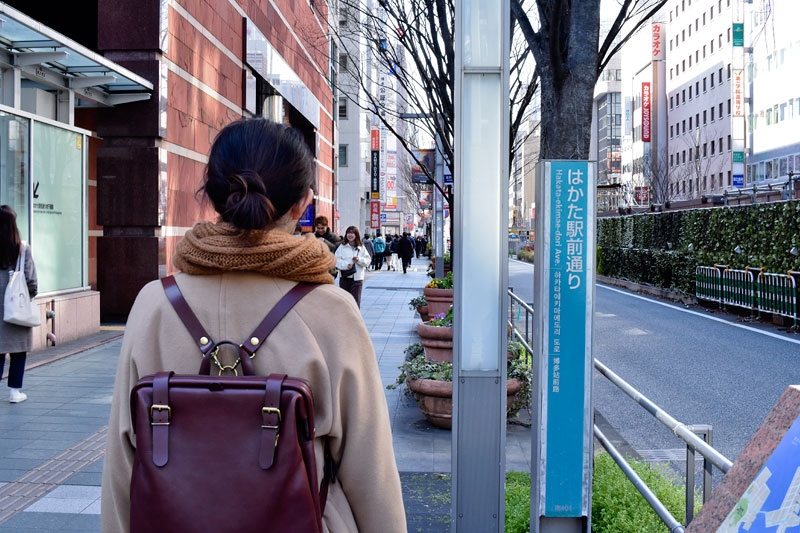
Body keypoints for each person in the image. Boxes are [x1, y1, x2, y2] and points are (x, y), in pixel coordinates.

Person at [101, 118, 405, 532]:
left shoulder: (153, 304)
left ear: (214, 195)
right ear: (303, 204)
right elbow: (371, 472)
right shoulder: (331, 310)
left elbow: (123, 461)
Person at [0, 205, 38, 404]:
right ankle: (15, 392)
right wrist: (30, 296)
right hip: (16, 304)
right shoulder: (22, 248)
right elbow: (31, 279)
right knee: (18, 351)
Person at [334, 226, 371, 307]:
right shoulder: (342, 247)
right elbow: (336, 260)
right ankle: (345, 318)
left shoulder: (361, 247)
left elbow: (368, 261)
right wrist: (346, 266)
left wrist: (359, 259)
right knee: (345, 301)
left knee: (356, 301)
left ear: (356, 235)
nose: (350, 235)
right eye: (348, 233)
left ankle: (355, 319)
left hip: (357, 278)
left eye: (352, 233)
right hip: (345, 277)